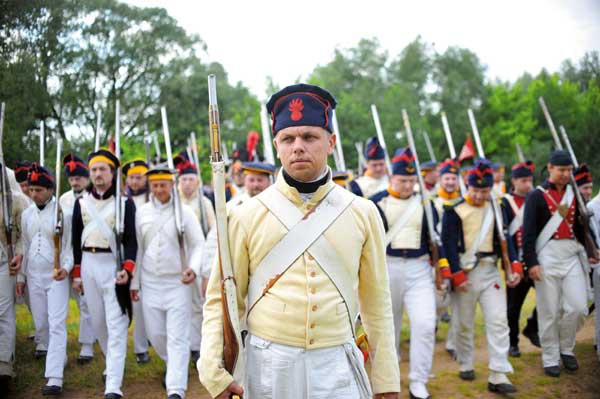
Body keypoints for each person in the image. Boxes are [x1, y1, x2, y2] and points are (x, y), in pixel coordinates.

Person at [199, 83, 399, 399]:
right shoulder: (245, 215)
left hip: (336, 362)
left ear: (331, 142)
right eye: (288, 138)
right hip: (269, 364)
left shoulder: (363, 212)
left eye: (309, 137)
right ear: (277, 145)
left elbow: (377, 302)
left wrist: (386, 379)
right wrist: (212, 370)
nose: (298, 146)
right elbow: (221, 299)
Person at [370, 147, 449, 399]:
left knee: (425, 325)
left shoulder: (427, 203)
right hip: (387, 267)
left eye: (411, 181)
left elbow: (436, 239)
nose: (407, 186)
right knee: (387, 329)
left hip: (419, 269)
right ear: (392, 178)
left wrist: (442, 268)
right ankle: (387, 381)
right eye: (402, 180)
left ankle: (419, 382)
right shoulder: (375, 203)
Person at [442, 158, 523, 394]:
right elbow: (447, 244)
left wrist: (514, 265)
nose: (479, 195)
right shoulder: (453, 210)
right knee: (464, 324)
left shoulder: (499, 207)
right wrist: (456, 274)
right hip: (465, 273)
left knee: (498, 321)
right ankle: (466, 362)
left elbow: (507, 238)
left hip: (490, 271)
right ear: (467, 186)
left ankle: (498, 373)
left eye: (484, 191)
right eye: (476, 190)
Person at [131, 166, 205, 399]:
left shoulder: (185, 213)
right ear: (150, 187)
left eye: (163, 185)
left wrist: (193, 267)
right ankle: (174, 363)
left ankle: (176, 388)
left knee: (177, 336)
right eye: (155, 185)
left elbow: (199, 244)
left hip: (178, 283)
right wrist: (135, 283)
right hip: (150, 281)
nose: (160, 189)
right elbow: (139, 250)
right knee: (157, 335)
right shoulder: (141, 212)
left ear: (171, 185)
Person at [71, 149, 137, 399]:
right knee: (98, 323)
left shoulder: (124, 203)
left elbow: (131, 241)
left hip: (113, 265)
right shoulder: (81, 203)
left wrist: (127, 269)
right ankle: (112, 364)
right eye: (94, 169)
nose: (97, 174)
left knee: (116, 324)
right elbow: (75, 239)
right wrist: (77, 273)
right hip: (88, 264)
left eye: (103, 169)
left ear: (112, 173)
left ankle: (113, 386)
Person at [522, 150, 594, 377]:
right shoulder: (536, 195)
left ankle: (567, 348)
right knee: (549, 311)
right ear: (550, 168)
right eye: (561, 170)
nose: (565, 174)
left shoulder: (575, 195)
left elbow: (582, 228)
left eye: (568, 170)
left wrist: (592, 249)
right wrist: (531, 263)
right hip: (546, 256)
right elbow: (528, 233)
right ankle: (550, 356)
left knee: (578, 307)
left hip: (571, 253)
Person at [16, 163, 72, 395]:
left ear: (50, 189)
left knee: (57, 323)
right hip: (34, 275)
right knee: (41, 324)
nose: (34, 193)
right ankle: (58, 356)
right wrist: (21, 276)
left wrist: (66, 269)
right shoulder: (27, 214)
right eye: (31, 189)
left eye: (39, 189)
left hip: (56, 275)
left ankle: (54, 377)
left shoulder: (63, 213)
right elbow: (25, 246)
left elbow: (69, 248)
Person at [174, 155, 215, 365]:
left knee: (200, 303)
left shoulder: (204, 202)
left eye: (191, 179)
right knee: (181, 303)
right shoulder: (174, 202)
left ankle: (199, 346)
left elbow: (212, 229)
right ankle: (185, 344)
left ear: (197, 182)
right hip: (179, 255)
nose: (187, 183)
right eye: (183, 180)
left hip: (201, 253)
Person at [60, 153, 96, 364]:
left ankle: (87, 344)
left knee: (86, 301)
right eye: (72, 178)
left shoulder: (94, 198)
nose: (75, 181)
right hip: (65, 252)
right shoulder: (63, 199)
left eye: (79, 178)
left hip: (86, 252)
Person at [503, 161, 539, 358]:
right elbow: (505, 232)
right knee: (513, 308)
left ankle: (532, 326)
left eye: (530, 180)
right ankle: (512, 342)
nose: (528, 185)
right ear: (514, 180)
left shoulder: (536, 199)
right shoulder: (505, 202)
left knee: (549, 299)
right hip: (515, 261)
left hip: (534, 259)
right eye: (524, 180)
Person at [0, 164, 30, 390]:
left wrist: (19, 253)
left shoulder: (15, 198)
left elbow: (23, 233)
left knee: (4, 312)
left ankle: (4, 364)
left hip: (3, 259)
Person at [431, 158, 462, 360]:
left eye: (454, 178)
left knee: (458, 305)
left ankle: (453, 343)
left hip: (459, 256)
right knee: (436, 301)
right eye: (447, 178)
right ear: (440, 179)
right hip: (436, 258)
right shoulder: (431, 201)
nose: (450, 182)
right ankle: (430, 331)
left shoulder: (464, 202)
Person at [122, 159, 151, 364]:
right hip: (130, 256)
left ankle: (148, 341)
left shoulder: (153, 199)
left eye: (138, 177)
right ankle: (140, 347)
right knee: (134, 303)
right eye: (131, 177)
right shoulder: (122, 200)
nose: (134, 181)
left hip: (151, 256)